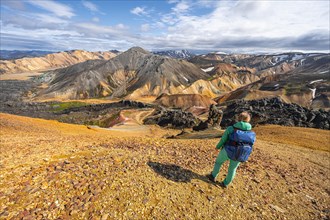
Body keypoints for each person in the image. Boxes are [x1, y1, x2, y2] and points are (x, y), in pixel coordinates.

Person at [207, 111, 255, 188]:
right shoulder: (250, 131)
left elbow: (223, 139)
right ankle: (225, 184)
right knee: (233, 169)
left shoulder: (231, 128)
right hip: (240, 152)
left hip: (227, 150)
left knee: (218, 162)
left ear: (239, 118)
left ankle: (213, 176)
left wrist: (218, 147)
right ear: (248, 120)